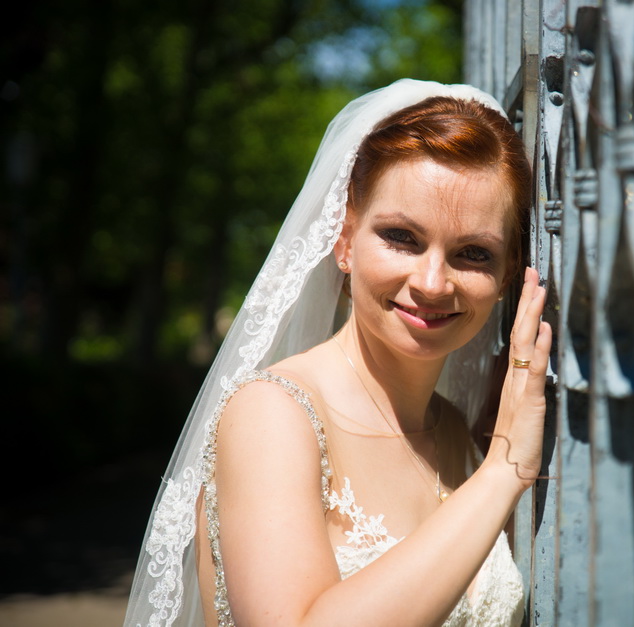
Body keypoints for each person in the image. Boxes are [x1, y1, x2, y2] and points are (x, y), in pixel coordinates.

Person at [123, 79, 551, 627]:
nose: (432, 282)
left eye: (472, 253)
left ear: (508, 273)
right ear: (345, 240)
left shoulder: (457, 433)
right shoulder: (272, 415)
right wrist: (505, 471)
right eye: (401, 237)